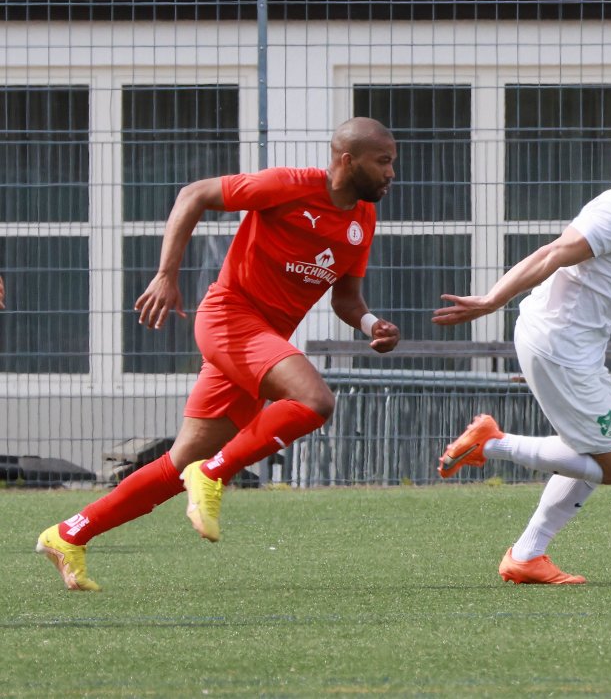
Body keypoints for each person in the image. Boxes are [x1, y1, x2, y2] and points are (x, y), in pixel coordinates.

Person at [36, 117, 401, 590]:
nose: (393, 172)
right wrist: (167, 274)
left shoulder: (363, 220)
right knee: (316, 402)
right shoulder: (288, 185)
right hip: (230, 319)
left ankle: (68, 534)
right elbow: (194, 193)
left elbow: (346, 299)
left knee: (176, 463)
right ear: (347, 161)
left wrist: (373, 324)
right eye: (384, 161)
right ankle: (213, 475)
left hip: (260, 342)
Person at [432, 105, 611, 584]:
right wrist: (491, 300)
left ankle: (527, 556)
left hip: (571, 349)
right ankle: (493, 444)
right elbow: (552, 253)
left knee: (591, 456)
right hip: (560, 348)